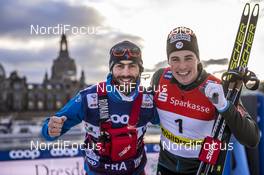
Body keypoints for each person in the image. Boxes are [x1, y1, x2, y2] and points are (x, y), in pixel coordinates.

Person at [151, 26, 260, 175]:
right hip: (165, 166)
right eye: (175, 59)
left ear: (197, 58)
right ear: (168, 61)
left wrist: (224, 106)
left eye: (188, 58)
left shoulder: (217, 87)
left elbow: (252, 138)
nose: (182, 66)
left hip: (202, 168)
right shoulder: (159, 78)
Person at [41, 40, 159, 175]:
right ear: (111, 69)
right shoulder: (89, 97)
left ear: (140, 70)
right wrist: (50, 129)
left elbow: (174, 123)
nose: (126, 73)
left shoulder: (148, 99)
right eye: (120, 66)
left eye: (132, 66)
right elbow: (49, 131)